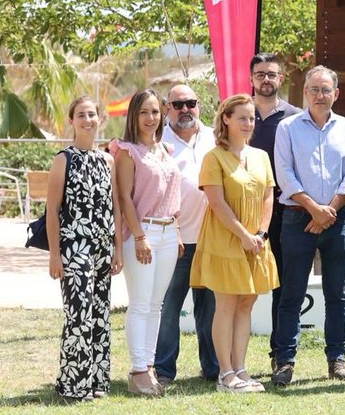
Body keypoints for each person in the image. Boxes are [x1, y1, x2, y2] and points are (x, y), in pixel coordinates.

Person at [272, 66, 345, 387]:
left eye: (325, 90)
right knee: (291, 293)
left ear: (336, 93)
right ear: (304, 93)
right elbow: (284, 173)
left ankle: (337, 359)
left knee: (337, 294)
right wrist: (313, 209)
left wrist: (329, 210)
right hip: (298, 219)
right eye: (313, 89)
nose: (320, 95)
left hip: (338, 221)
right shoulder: (288, 128)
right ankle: (285, 361)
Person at [190, 95, 280, 393]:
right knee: (226, 305)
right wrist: (243, 235)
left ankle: (241, 369)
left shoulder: (261, 157)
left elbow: (268, 197)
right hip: (226, 239)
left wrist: (261, 234)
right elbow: (217, 203)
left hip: (257, 240)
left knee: (246, 303)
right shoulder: (213, 157)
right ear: (225, 119)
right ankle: (225, 374)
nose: (248, 123)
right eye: (242, 117)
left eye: (252, 118)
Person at [46, 97, 123, 402]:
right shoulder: (63, 159)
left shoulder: (108, 160)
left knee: (101, 313)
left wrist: (117, 249)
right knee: (78, 315)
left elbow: (115, 205)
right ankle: (72, 385)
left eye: (92, 114)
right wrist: (54, 255)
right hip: (74, 249)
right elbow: (52, 210)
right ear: (72, 120)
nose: (87, 119)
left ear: (99, 119)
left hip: (103, 248)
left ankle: (97, 381)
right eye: (81, 115)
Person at [112, 89, 183, 397]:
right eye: (144, 112)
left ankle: (149, 367)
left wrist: (177, 232)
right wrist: (140, 236)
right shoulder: (128, 151)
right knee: (140, 305)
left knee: (156, 306)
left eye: (155, 111)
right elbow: (124, 197)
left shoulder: (165, 149)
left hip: (169, 232)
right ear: (134, 115)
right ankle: (138, 371)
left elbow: (170, 196)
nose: (151, 118)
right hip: (143, 234)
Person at [154, 84, 218, 388]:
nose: (184, 110)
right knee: (169, 308)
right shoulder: (157, 140)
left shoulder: (215, 135)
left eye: (190, 103)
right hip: (175, 239)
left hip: (214, 239)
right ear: (167, 108)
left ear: (199, 106)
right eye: (177, 104)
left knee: (210, 309)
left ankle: (213, 368)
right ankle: (164, 370)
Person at [248, 53, 301, 373]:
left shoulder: (295, 117)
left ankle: (279, 355)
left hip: (284, 212)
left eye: (271, 74)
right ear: (251, 78)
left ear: (281, 79)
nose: (265, 79)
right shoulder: (238, 112)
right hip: (243, 214)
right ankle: (223, 359)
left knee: (283, 286)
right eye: (260, 74)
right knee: (237, 286)